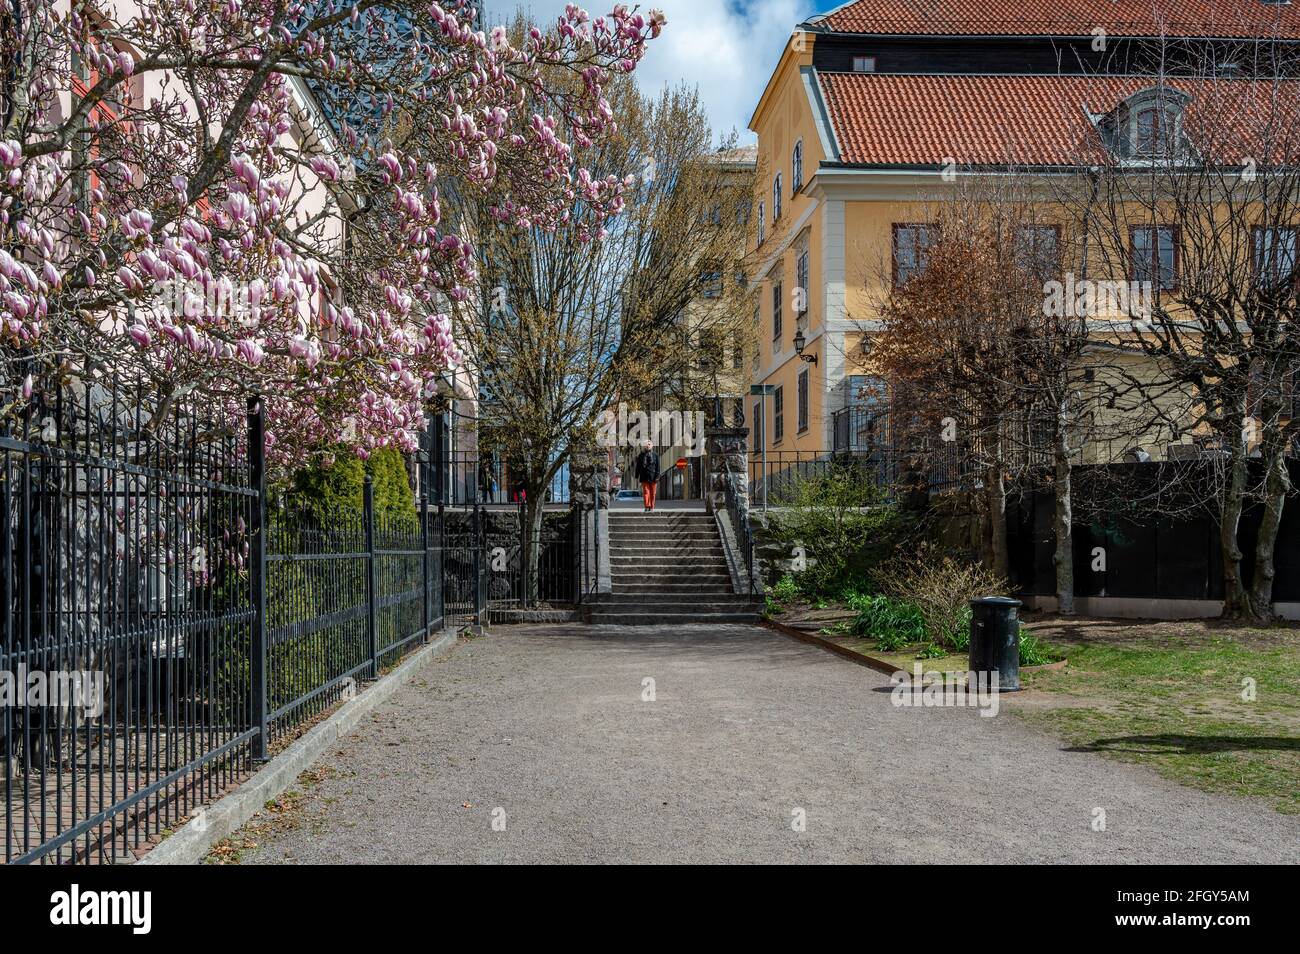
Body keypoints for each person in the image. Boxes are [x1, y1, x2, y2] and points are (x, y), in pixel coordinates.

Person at [634, 439, 660, 512]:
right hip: (644, 476)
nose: (647, 445)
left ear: (652, 446)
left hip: (653, 477)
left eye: (649, 444)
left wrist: (657, 476)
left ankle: (652, 507)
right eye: (646, 444)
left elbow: (658, 467)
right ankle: (647, 506)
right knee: (646, 492)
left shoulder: (655, 455)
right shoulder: (641, 455)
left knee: (653, 493)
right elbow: (638, 466)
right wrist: (636, 476)